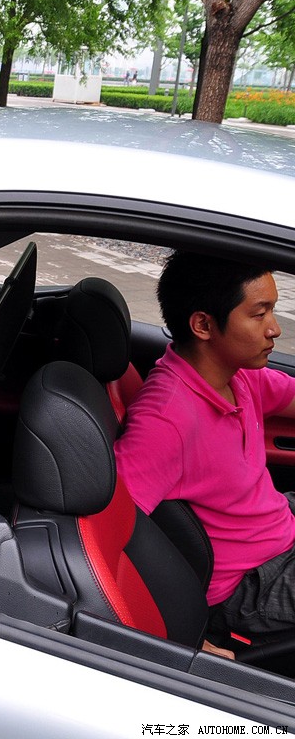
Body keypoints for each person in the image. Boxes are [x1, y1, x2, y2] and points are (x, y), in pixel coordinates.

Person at [115, 251, 295, 646]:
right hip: (252, 584)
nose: (275, 329)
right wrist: (186, 637)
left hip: (277, 523)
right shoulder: (166, 420)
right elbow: (107, 529)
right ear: (203, 325)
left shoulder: (240, 376)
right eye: (259, 314)